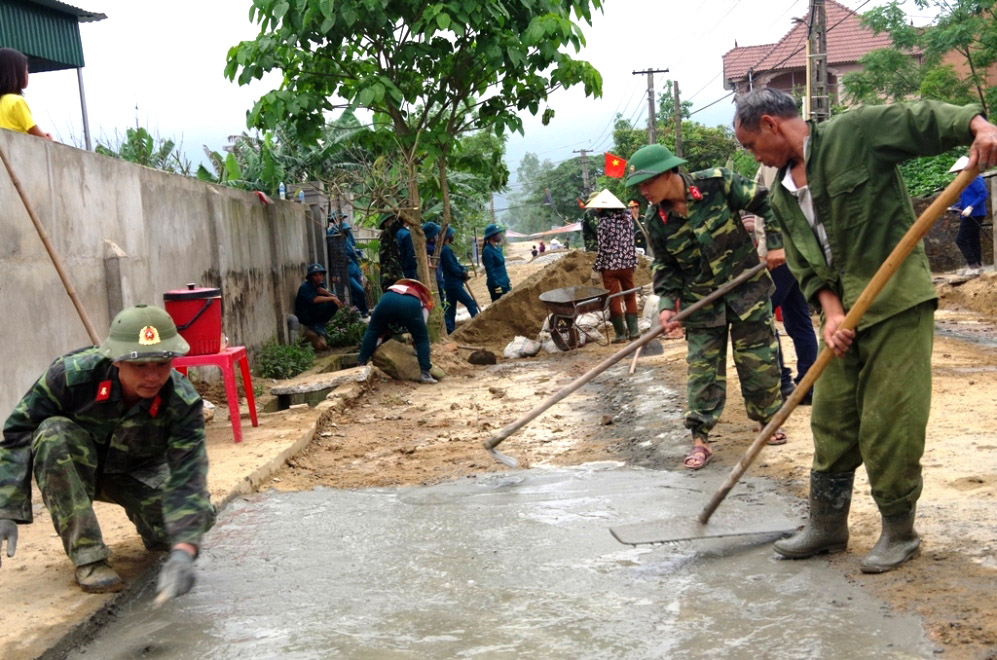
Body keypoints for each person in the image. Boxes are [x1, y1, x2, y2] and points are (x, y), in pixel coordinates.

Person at [733, 87, 997, 573]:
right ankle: (827, 525)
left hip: (895, 301)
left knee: (889, 420)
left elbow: (920, 118)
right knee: (831, 417)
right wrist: (831, 313)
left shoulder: (855, 134)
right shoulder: (781, 193)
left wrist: (978, 127)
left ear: (770, 124)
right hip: (841, 318)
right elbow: (803, 262)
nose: (754, 156)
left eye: (751, 145)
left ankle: (899, 531)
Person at [0, 304, 214, 599]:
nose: (152, 376)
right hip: (72, 469)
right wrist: (7, 510)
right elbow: (18, 433)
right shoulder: (70, 377)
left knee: (200, 517)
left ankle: (154, 531)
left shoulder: (182, 401)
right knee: (53, 433)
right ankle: (88, 557)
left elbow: (188, 475)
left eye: (162, 364)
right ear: (116, 360)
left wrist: (183, 551)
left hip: (137, 472)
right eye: (140, 366)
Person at [626, 144, 788, 470]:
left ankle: (768, 421)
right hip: (700, 302)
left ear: (668, 173)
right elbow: (665, 266)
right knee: (703, 371)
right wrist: (667, 306)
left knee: (759, 362)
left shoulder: (717, 183)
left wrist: (774, 242)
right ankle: (700, 439)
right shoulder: (656, 220)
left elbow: (767, 201)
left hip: (746, 290)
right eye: (638, 186)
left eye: (647, 183)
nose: (642, 192)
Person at [753, 165, 819, 405]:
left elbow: (770, 205)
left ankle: (782, 381)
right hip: (798, 249)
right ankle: (809, 385)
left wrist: (770, 247)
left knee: (760, 314)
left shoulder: (776, 161)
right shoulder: (770, 162)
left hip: (781, 253)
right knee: (797, 317)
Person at [357, 278, 438, 384]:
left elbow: (379, 315)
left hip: (387, 300)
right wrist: (416, 345)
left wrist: (379, 334)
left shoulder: (394, 288)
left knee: (372, 331)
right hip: (410, 304)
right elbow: (422, 325)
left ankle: (361, 363)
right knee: (422, 338)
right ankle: (425, 375)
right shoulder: (424, 299)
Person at [587, 189, 639, 343]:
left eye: (599, 207)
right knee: (630, 296)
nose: (597, 210)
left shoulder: (603, 223)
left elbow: (602, 249)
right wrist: (633, 260)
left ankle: (620, 335)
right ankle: (634, 332)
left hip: (610, 267)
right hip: (627, 265)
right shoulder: (628, 219)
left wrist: (596, 268)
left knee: (614, 299)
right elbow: (631, 243)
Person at [948, 155, 988, 276]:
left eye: (959, 172)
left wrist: (971, 207)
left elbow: (983, 194)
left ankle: (973, 264)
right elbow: (965, 201)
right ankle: (977, 265)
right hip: (970, 214)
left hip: (975, 214)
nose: (957, 174)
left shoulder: (975, 178)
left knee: (961, 239)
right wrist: (954, 207)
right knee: (973, 239)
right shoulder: (966, 182)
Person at [0, 48, 53, 140]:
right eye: (26, 70)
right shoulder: (16, 101)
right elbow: (34, 132)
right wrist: (47, 138)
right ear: (15, 73)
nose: (27, 74)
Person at [294, 263, 342, 351]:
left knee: (333, 303)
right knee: (324, 302)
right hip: (305, 315)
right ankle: (314, 328)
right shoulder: (305, 287)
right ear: (311, 277)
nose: (318, 277)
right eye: (315, 275)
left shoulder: (321, 286)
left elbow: (335, 297)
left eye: (320, 274)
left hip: (316, 315)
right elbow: (314, 300)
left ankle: (320, 326)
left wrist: (327, 293)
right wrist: (331, 298)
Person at [440, 227, 479, 333]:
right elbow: (452, 267)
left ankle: (450, 330)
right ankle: (478, 323)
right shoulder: (445, 250)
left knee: (451, 309)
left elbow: (456, 264)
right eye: (452, 234)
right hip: (454, 283)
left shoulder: (446, 249)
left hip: (450, 283)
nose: (453, 236)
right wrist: (461, 274)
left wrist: (463, 269)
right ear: (448, 236)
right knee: (470, 303)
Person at [331, 217, 369, 319]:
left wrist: (359, 270)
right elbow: (333, 259)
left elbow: (354, 254)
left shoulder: (347, 240)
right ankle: (363, 310)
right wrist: (336, 274)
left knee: (355, 293)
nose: (346, 232)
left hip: (354, 268)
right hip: (345, 270)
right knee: (359, 290)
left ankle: (359, 312)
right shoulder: (334, 241)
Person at [481, 223, 511, 302]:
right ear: (491, 236)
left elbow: (502, 267)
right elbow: (490, 270)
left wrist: (507, 281)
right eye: (497, 233)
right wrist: (496, 285)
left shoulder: (497, 248)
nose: (500, 235)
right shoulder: (487, 251)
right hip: (497, 285)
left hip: (504, 282)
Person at [378, 213, 405, 292]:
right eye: (392, 219)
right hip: (389, 273)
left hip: (394, 270)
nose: (394, 220)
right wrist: (402, 214)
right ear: (386, 223)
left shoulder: (391, 236)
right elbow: (396, 224)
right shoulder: (386, 234)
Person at [422, 221, 446, 297]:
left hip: (438, 278)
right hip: (435, 279)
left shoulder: (433, 246)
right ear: (432, 237)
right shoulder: (430, 248)